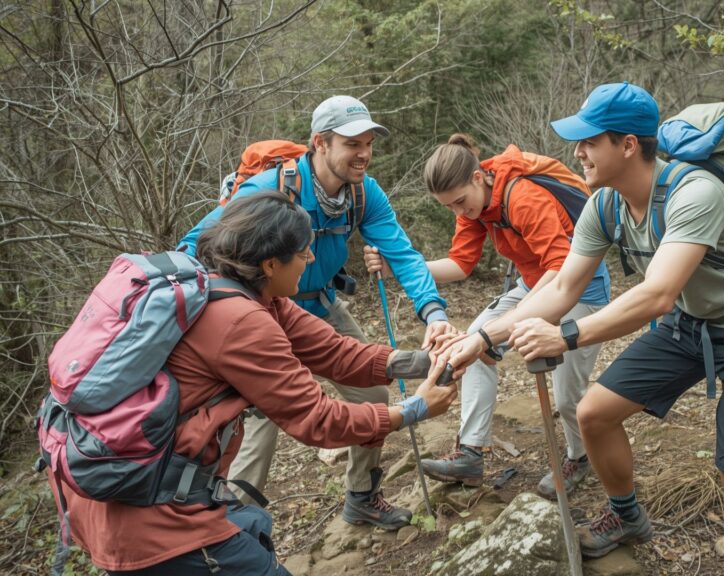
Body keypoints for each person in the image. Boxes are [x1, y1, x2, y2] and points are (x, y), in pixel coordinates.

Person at [443, 83, 724, 575]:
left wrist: (566, 337)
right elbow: (564, 288)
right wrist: (484, 338)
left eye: (589, 141)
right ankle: (627, 516)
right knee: (594, 414)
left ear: (628, 144)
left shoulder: (695, 194)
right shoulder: (605, 204)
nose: (578, 152)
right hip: (690, 326)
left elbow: (657, 294)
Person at [49, 192, 457, 575]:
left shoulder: (247, 295)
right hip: (152, 521)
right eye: (302, 253)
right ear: (270, 264)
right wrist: (414, 410)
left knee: (254, 534)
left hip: (141, 499)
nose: (311, 257)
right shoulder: (241, 322)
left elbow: (337, 354)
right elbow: (317, 419)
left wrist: (432, 362)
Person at [178, 96, 455, 528]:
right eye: (351, 143)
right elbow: (193, 246)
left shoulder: (364, 193)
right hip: (259, 314)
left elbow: (402, 253)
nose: (363, 153)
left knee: (374, 391)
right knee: (259, 423)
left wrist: (433, 313)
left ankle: (362, 494)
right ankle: (232, 529)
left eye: (368, 143)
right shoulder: (267, 191)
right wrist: (219, 317)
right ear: (320, 144)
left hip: (320, 307)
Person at [364, 134, 610, 496]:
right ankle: (471, 452)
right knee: (473, 345)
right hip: (533, 283)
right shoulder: (475, 207)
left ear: (479, 178)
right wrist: (395, 269)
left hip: (580, 287)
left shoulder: (523, 197)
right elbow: (460, 264)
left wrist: (510, 324)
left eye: (460, 202)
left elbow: (560, 269)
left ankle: (578, 457)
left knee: (568, 395)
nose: (459, 212)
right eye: (449, 207)